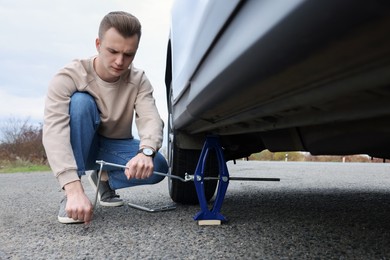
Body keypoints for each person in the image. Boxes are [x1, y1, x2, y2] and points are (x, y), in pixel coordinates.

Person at [43, 11, 168, 224]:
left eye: (129, 54)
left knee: (158, 167)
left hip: (112, 147)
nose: (120, 61)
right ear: (98, 44)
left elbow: (150, 118)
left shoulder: (139, 80)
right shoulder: (69, 75)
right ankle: (72, 195)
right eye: (113, 51)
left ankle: (104, 178)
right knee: (81, 102)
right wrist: (72, 187)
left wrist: (146, 151)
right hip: (80, 146)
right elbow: (54, 130)